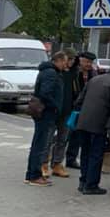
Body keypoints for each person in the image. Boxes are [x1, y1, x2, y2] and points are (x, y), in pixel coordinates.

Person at [74, 61, 110, 195]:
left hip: (82, 122)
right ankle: (91, 185)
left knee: (85, 152)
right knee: (96, 155)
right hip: (99, 125)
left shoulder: (93, 80)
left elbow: (79, 101)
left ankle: (83, 182)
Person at [25, 51, 68, 186]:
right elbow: (45, 93)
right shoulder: (51, 73)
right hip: (45, 113)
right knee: (40, 145)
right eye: (65, 62)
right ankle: (34, 176)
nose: (65, 65)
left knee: (38, 143)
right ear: (59, 60)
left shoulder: (46, 71)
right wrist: (55, 106)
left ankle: (31, 174)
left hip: (44, 112)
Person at [44, 48, 77, 179]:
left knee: (62, 140)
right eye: (69, 60)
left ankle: (57, 164)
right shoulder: (55, 73)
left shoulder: (73, 73)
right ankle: (44, 164)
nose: (71, 62)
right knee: (47, 139)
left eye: (73, 60)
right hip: (54, 111)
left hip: (67, 111)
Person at [65, 51, 97, 169]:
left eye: (91, 62)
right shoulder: (73, 72)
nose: (89, 64)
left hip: (85, 108)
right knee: (65, 134)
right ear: (80, 61)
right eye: (86, 62)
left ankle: (71, 159)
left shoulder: (93, 74)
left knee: (77, 135)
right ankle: (54, 159)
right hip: (71, 107)